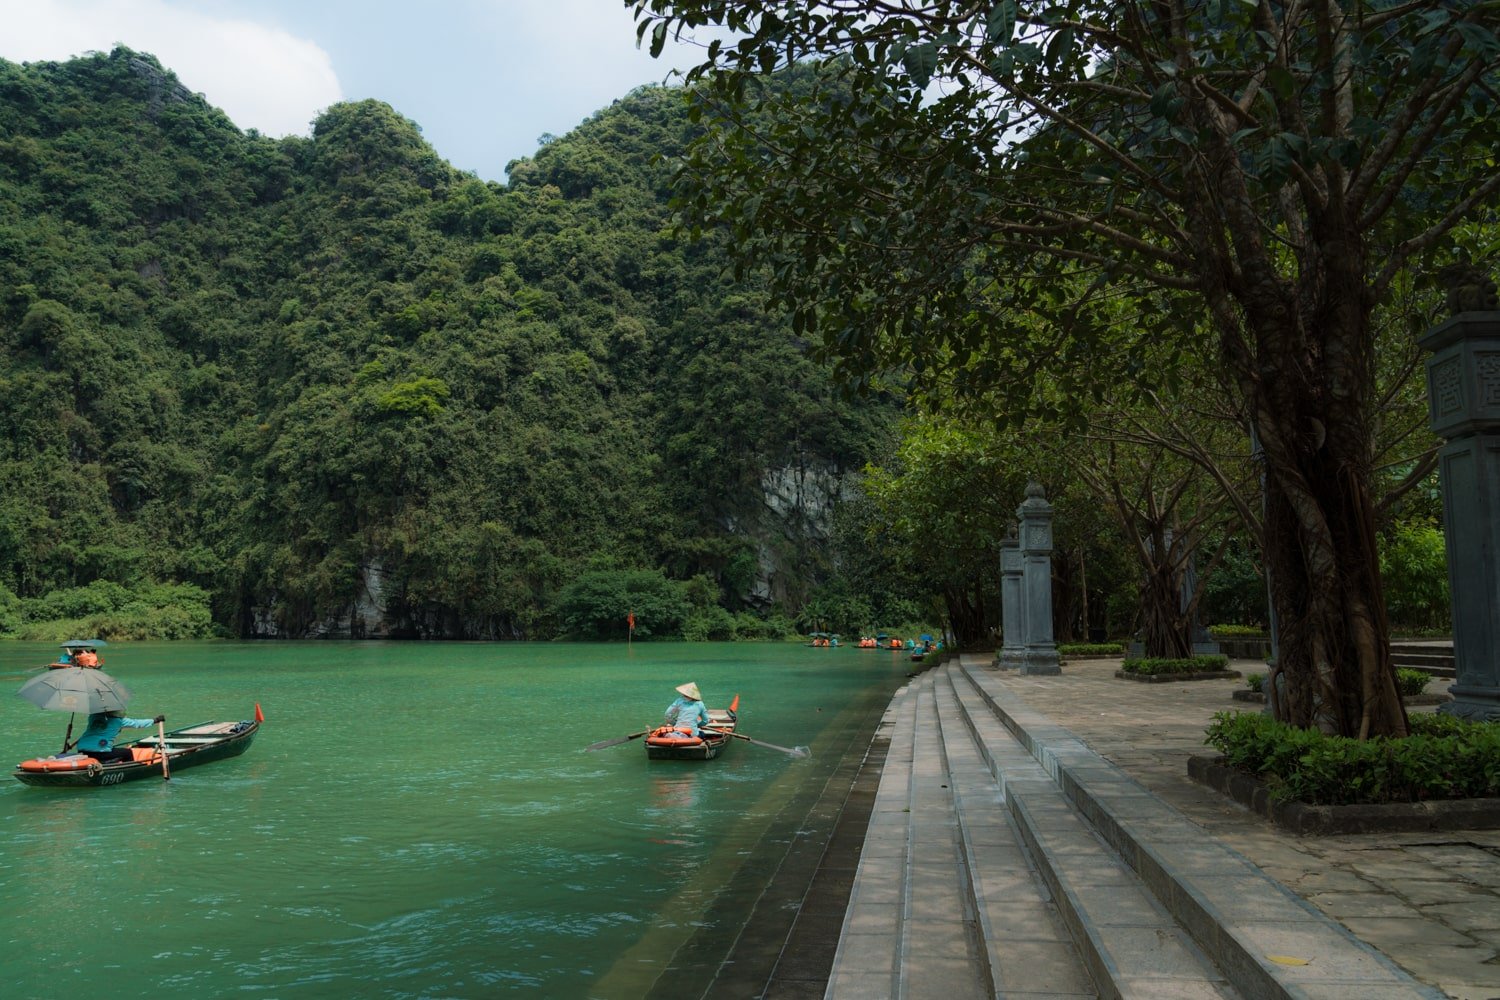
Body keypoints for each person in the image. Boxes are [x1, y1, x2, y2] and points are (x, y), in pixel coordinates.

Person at [74, 710, 164, 763]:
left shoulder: (93, 717)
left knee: (110, 748)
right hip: (99, 751)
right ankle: (129, 771)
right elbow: (137, 723)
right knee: (127, 752)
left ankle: (106, 762)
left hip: (82, 749)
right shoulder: (119, 721)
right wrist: (155, 720)